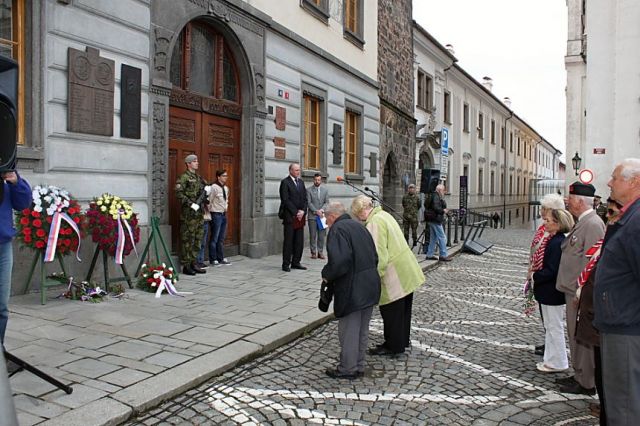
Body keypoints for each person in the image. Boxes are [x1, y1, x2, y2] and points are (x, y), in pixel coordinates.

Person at [594, 158, 640, 424]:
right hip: (621, 321)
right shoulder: (630, 216)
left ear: (633, 182)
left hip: (627, 325)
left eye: (615, 178)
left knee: (623, 407)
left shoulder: (636, 222)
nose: (609, 183)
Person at [351, 195, 425, 356]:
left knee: (391, 312)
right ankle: (402, 341)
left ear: (363, 210)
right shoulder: (384, 214)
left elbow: (379, 256)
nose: (359, 219)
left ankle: (393, 346)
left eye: (358, 215)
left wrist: (374, 279)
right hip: (407, 269)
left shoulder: (374, 223)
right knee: (404, 310)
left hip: (395, 274)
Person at [576, 198, 623, 425]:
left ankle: (608, 410)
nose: (608, 216)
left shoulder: (620, 233)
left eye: (612, 212)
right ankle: (605, 406)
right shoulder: (613, 233)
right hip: (598, 311)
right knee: (604, 371)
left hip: (609, 315)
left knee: (612, 374)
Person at [321, 202, 381, 379]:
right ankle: (359, 364)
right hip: (370, 285)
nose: (325, 221)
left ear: (332, 216)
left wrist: (327, 275)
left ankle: (347, 368)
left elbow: (340, 262)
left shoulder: (338, 230)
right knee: (362, 329)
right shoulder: (359, 226)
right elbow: (375, 256)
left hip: (353, 288)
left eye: (326, 217)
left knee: (349, 330)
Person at [556, 182, 605, 395]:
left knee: (581, 336)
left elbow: (592, 264)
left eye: (570, 197)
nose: (567, 201)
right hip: (572, 291)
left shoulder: (592, 224)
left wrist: (581, 292)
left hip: (579, 293)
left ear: (579, 201)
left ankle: (586, 382)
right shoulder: (582, 222)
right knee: (574, 335)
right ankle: (579, 374)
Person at [531, 208, 574, 373]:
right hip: (548, 291)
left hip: (551, 291)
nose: (545, 223)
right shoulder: (554, 239)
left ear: (557, 224)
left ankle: (558, 361)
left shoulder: (557, 243)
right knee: (550, 326)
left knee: (554, 327)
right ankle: (551, 359)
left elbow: (552, 270)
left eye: (548, 220)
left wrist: (536, 275)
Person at [529, 193, 566, 356]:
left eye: (545, 209)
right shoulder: (543, 228)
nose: (542, 211)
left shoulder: (555, 233)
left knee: (552, 321)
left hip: (548, 280)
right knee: (547, 318)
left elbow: (551, 260)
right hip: (540, 276)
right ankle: (548, 343)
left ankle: (552, 349)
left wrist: (536, 274)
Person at [0, 171, 32, 347]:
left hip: (3, 247)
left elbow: (23, 204)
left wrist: (15, 182)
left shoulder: (4, 170)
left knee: (2, 307)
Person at [175, 154, 208, 276]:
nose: (197, 163)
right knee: (188, 239)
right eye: (194, 161)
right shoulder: (183, 177)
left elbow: (205, 189)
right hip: (189, 215)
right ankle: (186, 265)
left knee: (197, 239)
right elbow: (179, 194)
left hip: (199, 214)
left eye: (197, 161)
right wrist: (191, 204)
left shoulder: (199, 178)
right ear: (188, 163)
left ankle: (194, 263)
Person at [278, 163, 307, 272]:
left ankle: (296, 262)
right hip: (290, 216)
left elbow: (305, 198)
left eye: (299, 170)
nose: (298, 172)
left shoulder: (301, 182)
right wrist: (296, 212)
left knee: (299, 241)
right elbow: (285, 200)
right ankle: (286, 264)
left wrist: (303, 211)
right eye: (296, 170)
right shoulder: (285, 182)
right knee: (289, 241)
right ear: (290, 170)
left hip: (300, 217)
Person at [208, 169, 231, 266]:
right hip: (216, 214)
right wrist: (209, 213)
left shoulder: (225, 188)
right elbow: (209, 200)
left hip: (223, 214)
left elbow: (226, 200)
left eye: (226, 176)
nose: (226, 177)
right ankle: (213, 259)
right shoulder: (214, 187)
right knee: (214, 237)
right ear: (218, 177)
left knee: (221, 238)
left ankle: (220, 257)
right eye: (224, 176)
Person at [424, 184, 451, 261]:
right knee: (442, 237)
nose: (444, 192)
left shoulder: (433, 195)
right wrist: (443, 211)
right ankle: (443, 255)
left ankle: (429, 254)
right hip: (435, 219)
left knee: (433, 238)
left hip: (431, 219)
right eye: (443, 190)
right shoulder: (435, 196)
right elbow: (436, 207)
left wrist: (442, 199)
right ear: (439, 190)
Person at [306, 173, 328, 260]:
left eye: (318, 180)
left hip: (322, 216)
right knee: (313, 235)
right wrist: (315, 211)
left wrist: (321, 210)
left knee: (321, 235)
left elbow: (327, 202)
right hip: (312, 216)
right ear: (313, 180)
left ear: (321, 180)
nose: (317, 181)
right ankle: (313, 252)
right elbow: (309, 202)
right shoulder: (308, 190)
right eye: (315, 180)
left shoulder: (325, 190)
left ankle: (320, 252)